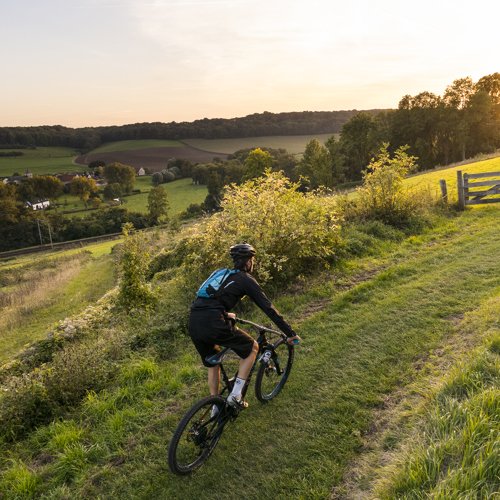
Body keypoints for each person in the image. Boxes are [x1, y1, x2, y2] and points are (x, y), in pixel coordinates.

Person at [188, 242, 301, 409]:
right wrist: (289, 332)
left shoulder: (220, 273)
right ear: (248, 261)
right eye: (252, 260)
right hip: (214, 322)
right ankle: (235, 396)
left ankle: (215, 405)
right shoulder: (245, 279)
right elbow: (268, 308)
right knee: (252, 347)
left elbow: (207, 299)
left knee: (213, 363)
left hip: (194, 322)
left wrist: (224, 313)